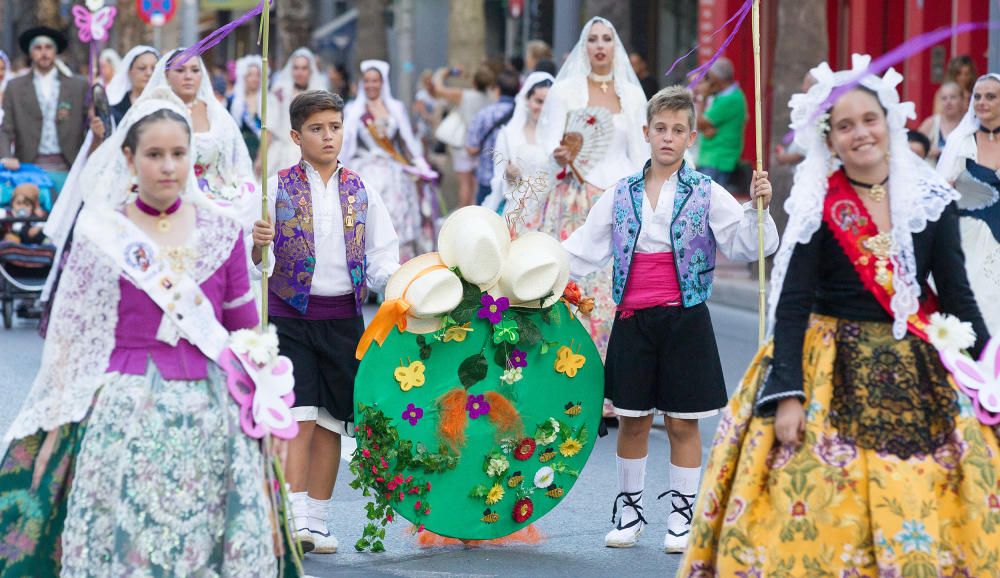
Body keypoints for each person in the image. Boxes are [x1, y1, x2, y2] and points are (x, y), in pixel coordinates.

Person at [678, 56, 1000, 576]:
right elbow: (792, 306)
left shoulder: (932, 202)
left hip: (919, 369)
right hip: (826, 368)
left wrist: (992, 380)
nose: (860, 134)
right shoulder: (818, 206)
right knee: (823, 511)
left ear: (889, 121)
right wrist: (787, 394)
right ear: (829, 139)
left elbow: (960, 299)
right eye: (844, 126)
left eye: (869, 120)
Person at [0, 87, 289, 577]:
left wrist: (266, 404)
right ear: (129, 159)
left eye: (178, 154)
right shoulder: (101, 233)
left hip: (212, 413)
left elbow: (244, 332)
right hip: (122, 410)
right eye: (154, 155)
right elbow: (71, 339)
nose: (168, 166)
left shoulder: (222, 231)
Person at [563, 86, 778, 553]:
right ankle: (628, 510)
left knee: (683, 423)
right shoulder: (621, 193)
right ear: (646, 132)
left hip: (685, 319)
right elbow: (583, 247)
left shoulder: (706, 192)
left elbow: (749, 246)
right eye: (660, 129)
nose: (668, 138)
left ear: (690, 137)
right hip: (633, 318)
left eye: (678, 130)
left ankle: (682, 517)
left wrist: (758, 209)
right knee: (633, 419)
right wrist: (539, 270)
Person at [249, 90, 399, 554]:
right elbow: (256, 265)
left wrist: (403, 291)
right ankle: (292, 519)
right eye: (316, 129)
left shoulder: (361, 189)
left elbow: (381, 257)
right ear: (296, 136)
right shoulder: (274, 190)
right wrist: (259, 244)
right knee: (300, 417)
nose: (327, 135)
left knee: (334, 421)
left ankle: (319, 520)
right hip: (291, 316)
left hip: (344, 319)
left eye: (334, 126)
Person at [534, 16, 649, 364]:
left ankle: (614, 383)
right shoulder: (566, 91)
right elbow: (548, 146)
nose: (600, 46)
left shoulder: (630, 94)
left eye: (606, 39)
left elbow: (641, 155)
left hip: (619, 200)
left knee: (617, 293)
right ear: (584, 47)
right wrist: (560, 155)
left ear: (616, 46)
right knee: (576, 288)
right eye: (593, 39)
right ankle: (571, 376)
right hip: (574, 200)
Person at [41, 45, 160, 305]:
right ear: (129, 72)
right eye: (142, 68)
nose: (148, 73)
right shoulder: (113, 109)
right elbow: (97, 157)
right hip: (115, 190)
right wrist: (97, 136)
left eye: (154, 67)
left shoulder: (165, 108)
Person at [341, 59, 439, 261]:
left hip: (394, 171)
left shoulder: (395, 108)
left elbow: (406, 140)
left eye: (375, 80)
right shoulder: (354, 110)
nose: (371, 85)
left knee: (398, 215)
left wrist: (420, 164)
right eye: (367, 80)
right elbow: (347, 143)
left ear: (382, 82)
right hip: (367, 169)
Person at [142, 49, 257, 219]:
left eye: (195, 70)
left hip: (215, 196)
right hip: (167, 196)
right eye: (180, 70)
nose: (188, 76)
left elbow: (238, 163)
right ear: (166, 75)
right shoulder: (153, 110)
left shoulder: (216, 113)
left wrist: (241, 189)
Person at [937, 73, 1000, 335]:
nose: (982, 102)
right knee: (974, 310)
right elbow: (939, 193)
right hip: (968, 241)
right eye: (977, 96)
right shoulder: (961, 142)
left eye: (991, 96)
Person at [0, 27, 88, 194]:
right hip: (29, 170)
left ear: (56, 51)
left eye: (48, 47)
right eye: (38, 48)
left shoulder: (78, 86)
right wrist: (5, 157)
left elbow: (89, 126)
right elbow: (6, 129)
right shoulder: (15, 87)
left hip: (70, 169)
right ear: (30, 52)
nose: (44, 53)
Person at [482, 71, 554, 231]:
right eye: (538, 101)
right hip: (517, 211)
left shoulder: (558, 136)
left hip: (551, 212)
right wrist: (509, 176)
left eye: (547, 103)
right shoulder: (508, 135)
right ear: (527, 100)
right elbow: (498, 177)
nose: (542, 108)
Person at [433, 65, 494, 208]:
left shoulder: (463, 95)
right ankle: (476, 212)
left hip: (463, 145)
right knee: (475, 184)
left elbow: (438, 88)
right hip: (482, 146)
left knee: (464, 183)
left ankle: (463, 213)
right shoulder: (491, 98)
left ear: (474, 82)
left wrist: (444, 72)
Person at [265, 48, 329, 177]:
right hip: (281, 150)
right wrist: (262, 157)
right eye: (296, 68)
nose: (299, 72)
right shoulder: (280, 92)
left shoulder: (319, 93)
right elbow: (270, 126)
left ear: (310, 70)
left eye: (304, 68)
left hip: (311, 150)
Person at [467, 69, 520, 205]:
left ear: (497, 90)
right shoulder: (522, 116)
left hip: (487, 180)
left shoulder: (484, 114)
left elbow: (471, 148)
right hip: (516, 183)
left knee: (485, 222)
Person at [695, 57, 747, 191]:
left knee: (704, 203)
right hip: (711, 157)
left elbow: (699, 123)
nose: (708, 81)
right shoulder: (725, 96)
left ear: (716, 77)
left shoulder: (730, 99)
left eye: (709, 77)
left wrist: (702, 96)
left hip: (717, 159)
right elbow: (705, 127)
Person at [918, 81, 964, 163]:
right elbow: (912, 150)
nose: (948, 102)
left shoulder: (970, 125)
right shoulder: (931, 123)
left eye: (953, 97)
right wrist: (926, 150)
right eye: (944, 98)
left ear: (962, 100)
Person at [229, 55, 264, 162]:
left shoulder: (267, 101)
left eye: (258, 75)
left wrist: (260, 158)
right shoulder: (233, 101)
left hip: (262, 151)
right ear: (244, 77)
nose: (255, 79)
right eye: (250, 75)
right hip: (240, 150)